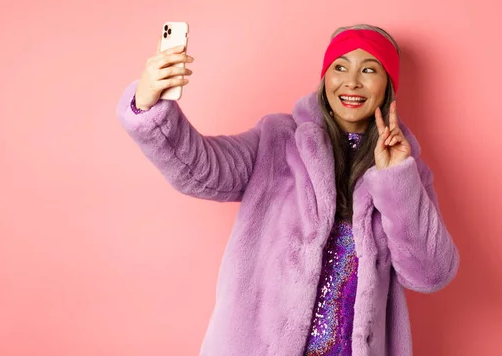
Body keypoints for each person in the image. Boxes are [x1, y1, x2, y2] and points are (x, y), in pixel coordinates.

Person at [116, 23, 460, 356]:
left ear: (388, 86)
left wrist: (396, 176)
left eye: (369, 70)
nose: (351, 82)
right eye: (340, 67)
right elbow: (201, 170)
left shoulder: (407, 172)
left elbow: (430, 274)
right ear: (325, 79)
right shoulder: (277, 138)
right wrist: (149, 107)